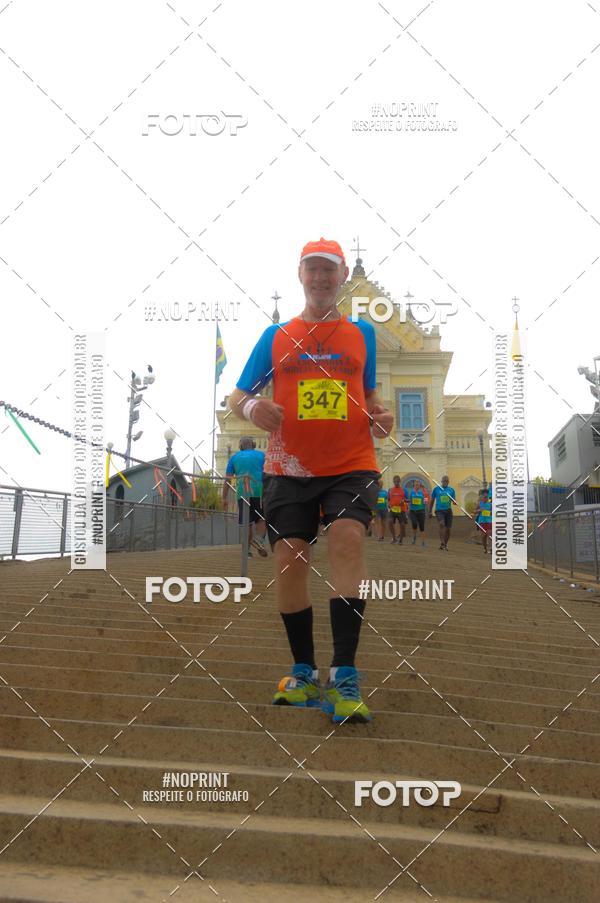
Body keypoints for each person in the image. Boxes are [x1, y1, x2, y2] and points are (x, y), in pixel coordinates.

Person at [227, 237, 393, 724]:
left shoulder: (363, 334)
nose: (320, 279)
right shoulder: (276, 335)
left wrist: (379, 414)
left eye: (329, 271)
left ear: (342, 278)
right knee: (290, 560)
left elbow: (368, 394)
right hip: (289, 466)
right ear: (300, 276)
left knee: (346, 538)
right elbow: (236, 395)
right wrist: (255, 406)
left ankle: (344, 674)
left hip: (351, 462)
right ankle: (302, 670)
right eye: (312, 270)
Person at [223, 438, 268, 557]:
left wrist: (224, 497)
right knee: (261, 519)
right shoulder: (262, 455)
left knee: (247, 522)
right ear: (253, 445)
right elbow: (268, 474)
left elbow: (228, 479)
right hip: (259, 492)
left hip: (242, 493)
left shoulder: (234, 457)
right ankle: (259, 540)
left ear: (240, 446)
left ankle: (247, 551)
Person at [429, 475, 456, 551]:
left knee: (448, 529)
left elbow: (454, 501)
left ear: (448, 482)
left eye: (447, 481)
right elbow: (432, 500)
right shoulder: (436, 489)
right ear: (441, 481)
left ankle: (445, 544)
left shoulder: (451, 490)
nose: (445, 482)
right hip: (439, 510)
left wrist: (455, 502)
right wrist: (430, 511)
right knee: (441, 524)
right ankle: (442, 542)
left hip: (448, 510)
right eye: (444, 481)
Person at [388, 475, 407, 544]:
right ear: (393, 482)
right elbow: (388, 499)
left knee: (402, 524)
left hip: (401, 509)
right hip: (393, 509)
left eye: (398, 481)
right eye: (395, 481)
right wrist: (388, 504)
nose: (396, 483)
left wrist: (404, 501)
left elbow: (407, 499)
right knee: (390, 522)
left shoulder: (404, 490)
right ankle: (394, 538)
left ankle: (401, 540)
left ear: (400, 481)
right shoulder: (390, 490)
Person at [408, 480, 427, 547]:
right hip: (413, 511)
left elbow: (425, 502)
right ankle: (414, 537)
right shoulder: (411, 493)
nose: (417, 486)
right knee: (414, 523)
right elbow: (409, 501)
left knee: (422, 527)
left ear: (420, 486)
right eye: (415, 484)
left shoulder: (422, 493)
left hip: (421, 511)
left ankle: (423, 542)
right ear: (414, 486)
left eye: (418, 484)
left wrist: (425, 501)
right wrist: (408, 503)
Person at [474, 489, 492, 553]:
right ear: (482, 497)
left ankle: (491, 548)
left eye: (486, 497)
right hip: (482, 521)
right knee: (484, 536)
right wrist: (479, 510)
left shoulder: (490, 504)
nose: (485, 498)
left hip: (489, 521)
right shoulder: (479, 503)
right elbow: (474, 511)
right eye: (484, 497)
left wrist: (490, 512)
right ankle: (485, 548)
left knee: (490, 534)